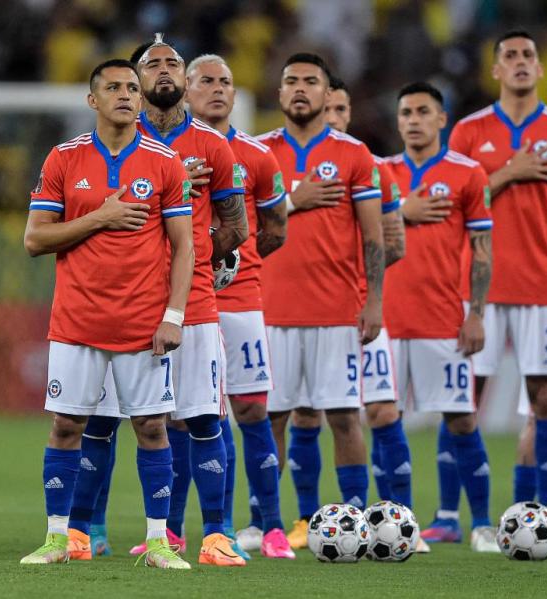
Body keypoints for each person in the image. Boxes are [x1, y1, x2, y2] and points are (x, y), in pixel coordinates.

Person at [71, 36, 248, 566]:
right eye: (152, 64)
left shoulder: (215, 146)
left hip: (189, 304)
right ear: (136, 80)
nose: (165, 70)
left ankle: (216, 534)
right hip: (119, 303)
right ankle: (85, 528)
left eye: (174, 62)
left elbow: (235, 226)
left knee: (201, 418)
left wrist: (192, 260)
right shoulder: (118, 142)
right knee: (98, 419)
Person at [20, 59, 194, 569]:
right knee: (66, 426)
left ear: (142, 101)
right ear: (92, 101)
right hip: (77, 321)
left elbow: (184, 248)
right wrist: (101, 217)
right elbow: (34, 239)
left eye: (132, 89)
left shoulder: (165, 163)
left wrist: (175, 316)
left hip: (143, 324)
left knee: (153, 428)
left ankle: (160, 542)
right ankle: (58, 538)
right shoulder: (63, 159)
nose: (125, 95)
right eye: (113, 87)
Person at [440, 29, 547, 525]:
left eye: (529, 54)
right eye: (510, 55)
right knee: (463, 398)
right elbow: (452, 202)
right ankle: (449, 514)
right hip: (478, 288)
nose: (521, 61)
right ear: (496, 69)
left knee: (546, 396)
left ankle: (539, 511)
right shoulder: (468, 132)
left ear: (541, 68)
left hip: (542, 286)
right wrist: (510, 171)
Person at [278, 74, 415, 550]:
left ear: (347, 114)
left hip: (354, 310)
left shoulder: (370, 165)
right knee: (302, 413)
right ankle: (301, 518)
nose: (332, 118)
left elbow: (392, 242)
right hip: (301, 307)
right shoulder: (276, 153)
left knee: (373, 410)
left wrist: (356, 281)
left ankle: (395, 516)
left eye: (339, 110)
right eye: (326, 110)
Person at [257, 53, 384, 537]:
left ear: (328, 94)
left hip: (335, 312)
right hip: (271, 309)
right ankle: (267, 521)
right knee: (271, 418)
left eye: (311, 81)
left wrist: (372, 302)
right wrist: (294, 201)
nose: (300, 89)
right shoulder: (258, 152)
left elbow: (374, 238)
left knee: (344, 417)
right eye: (291, 81)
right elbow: (246, 227)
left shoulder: (355, 155)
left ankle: (355, 518)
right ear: (280, 93)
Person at [184, 53, 294, 559]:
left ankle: (271, 526)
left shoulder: (257, 156)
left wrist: (236, 261)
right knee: (192, 415)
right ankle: (200, 528)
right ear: (185, 90)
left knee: (251, 409)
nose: (218, 88)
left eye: (226, 81)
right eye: (206, 80)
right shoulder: (163, 151)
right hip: (183, 302)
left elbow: (275, 228)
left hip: (241, 298)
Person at [383, 81, 497, 552]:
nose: (413, 119)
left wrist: (476, 314)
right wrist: (401, 211)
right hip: (386, 322)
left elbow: (483, 250)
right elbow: (356, 235)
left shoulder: (469, 174)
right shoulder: (379, 171)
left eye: (423, 111)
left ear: (442, 119)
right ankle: (398, 524)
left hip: (441, 321)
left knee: (463, 421)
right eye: (405, 112)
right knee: (382, 417)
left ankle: (484, 523)